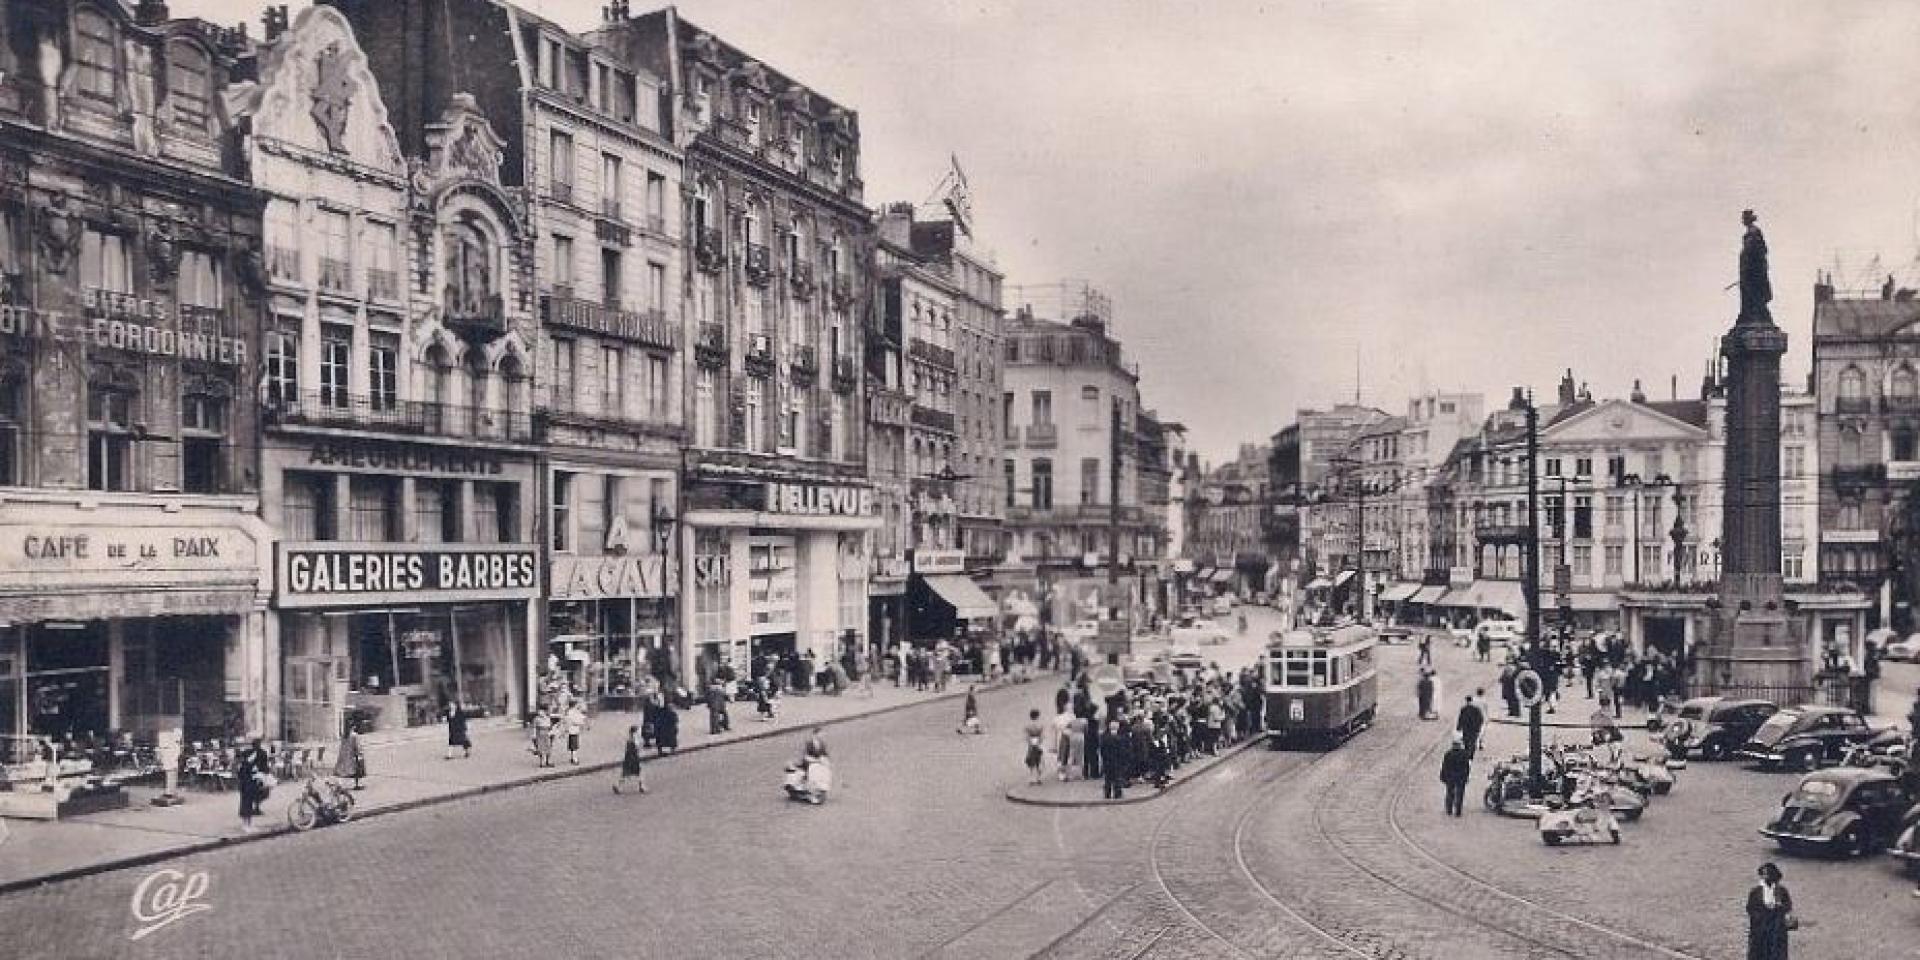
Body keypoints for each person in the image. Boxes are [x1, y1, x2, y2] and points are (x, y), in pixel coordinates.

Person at [1745, 862, 1794, 960]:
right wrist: (1760, 915)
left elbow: (1788, 905)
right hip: (1761, 927)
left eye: (1767, 874)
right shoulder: (1755, 891)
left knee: (1776, 951)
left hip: (1776, 926)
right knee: (1760, 951)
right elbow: (1750, 908)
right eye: (1764, 874)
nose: (1765, 877)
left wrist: (1779, 907)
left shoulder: (1782, 891)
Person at [236, 738, 272, 833]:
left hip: (251, 781)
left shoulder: (259, 753)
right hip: (246, 782)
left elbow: (263, 767)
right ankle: (245, 824)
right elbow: (243, 768)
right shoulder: (248, 755)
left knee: (249, 802)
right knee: (246, 802)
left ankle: (249, 823)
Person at [1439, 733, 1471, 817]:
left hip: (1450, 776)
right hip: (1460, 777)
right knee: (1459, 794)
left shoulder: (1448, 754)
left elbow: (1444, 766)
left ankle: (1449, 809)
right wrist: (1466, 776)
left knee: (1450, 792)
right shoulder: (1464, 754)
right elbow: (1466, 767)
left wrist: (1442, 776)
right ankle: (1458, 811)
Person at [613, 725, 648, 795]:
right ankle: (641, 787)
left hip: (628, 758)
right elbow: (637, 748)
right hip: (634, 758)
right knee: (639, 772)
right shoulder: (635, 740)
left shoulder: (629, 739)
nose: (639, 732)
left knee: (625, 773)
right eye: (637, 731)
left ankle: (618, 785)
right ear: (634, 732)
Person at [1100, 719, 1128, 800]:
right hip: (1117, 761)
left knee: (1108, 779)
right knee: (1117, 778)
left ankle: (1107, 794)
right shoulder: (1120, 738)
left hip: (1107, 761)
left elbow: (1102, 749)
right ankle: (1117, 794)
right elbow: (1123, 751)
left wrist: (1104, 758)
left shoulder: (1104, 737)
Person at [335, 722, 367, 789]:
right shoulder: (354, 735)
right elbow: (357, 746)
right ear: (352, 727)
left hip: (346, 755)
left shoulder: (344, 735)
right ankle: (357, 784)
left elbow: (342, 746)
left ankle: (340, 785)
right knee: (357, 770)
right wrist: (360, 753)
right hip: (353, 755)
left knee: (344, 771)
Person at [1456, 692, 1486, 760]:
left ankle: (1468, 753)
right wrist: (1479, 727)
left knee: (1468, 741)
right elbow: (1481, 718)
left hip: (1468, 728)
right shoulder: (1475, 708)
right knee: (1471, 741)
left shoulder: (1464, 709)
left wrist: (1459, 727)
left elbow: (1461, 718)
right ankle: (1470, 754)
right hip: (1472, 728)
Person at [1024, 709, 1045, 785]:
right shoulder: (1040, 725)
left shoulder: (1028, 726)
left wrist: (1030, 743)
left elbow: (1027, 737)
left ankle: (1032, 778)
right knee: (1039, 761)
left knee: (1031, 762)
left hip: (1031, 746)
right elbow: (1042, 736)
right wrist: (1039, 742)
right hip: (1038, 744)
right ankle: (1039, 778)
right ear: (1037, 716)